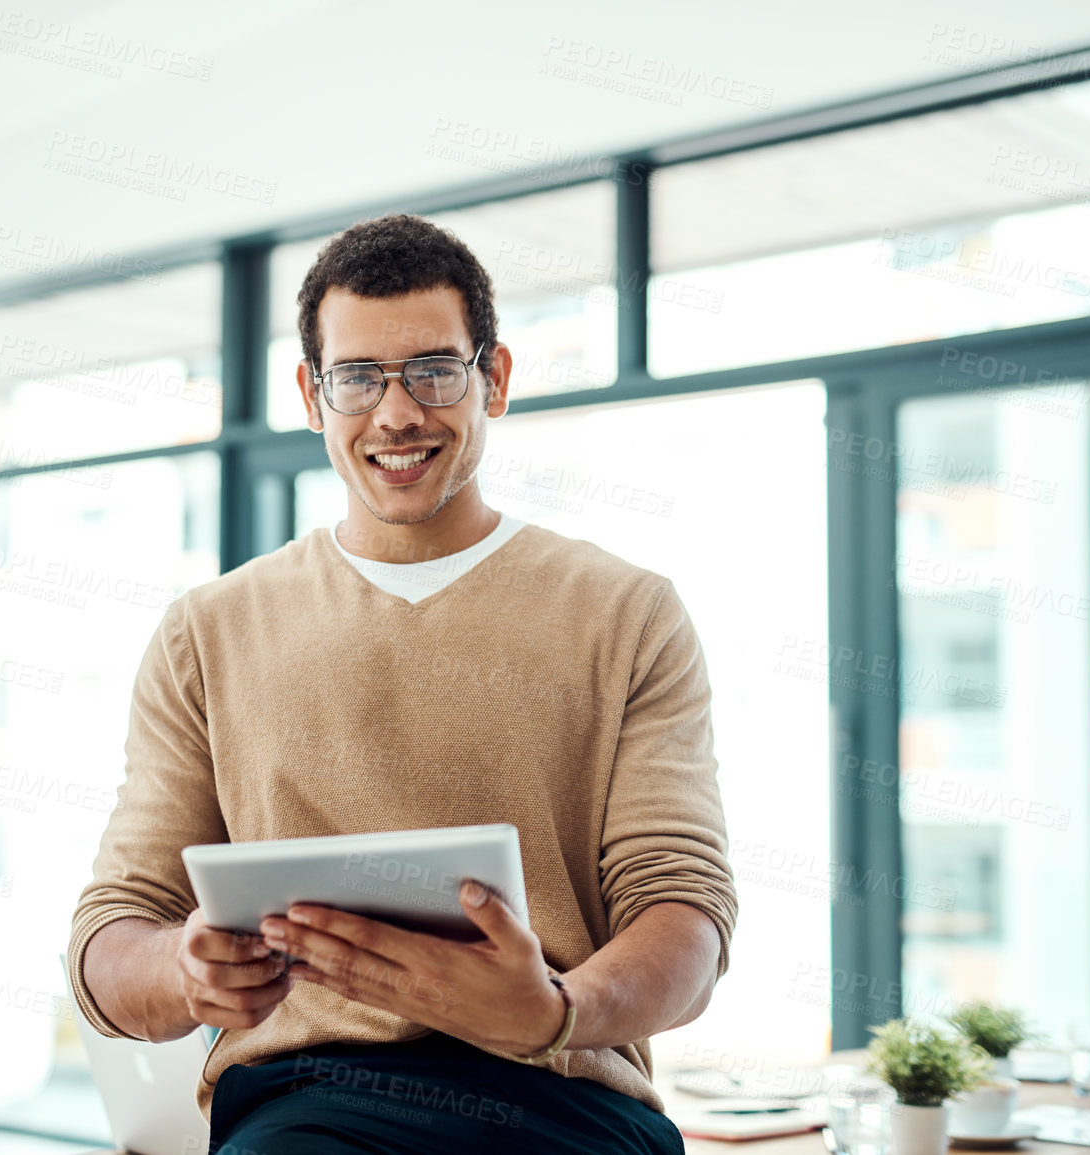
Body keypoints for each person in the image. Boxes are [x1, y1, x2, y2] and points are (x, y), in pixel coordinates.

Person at [67, 213, 738, 1154]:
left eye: (433, 370)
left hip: (564, 1095)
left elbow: (682, 908)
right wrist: (186, 972)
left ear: (491, 379)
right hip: (308, 1103)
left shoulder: (626, 612)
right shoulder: (208, 631)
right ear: (311, 394)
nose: (395, 414)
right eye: (357, 378)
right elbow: (109, 936)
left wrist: (554, 1007)